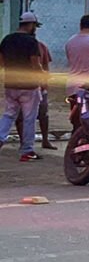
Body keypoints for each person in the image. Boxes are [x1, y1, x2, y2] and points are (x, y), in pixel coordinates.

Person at [0, 12, 45, 161]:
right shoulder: (31, 42)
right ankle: (27, 150)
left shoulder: (7, 39)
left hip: (11, 84)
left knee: (9, 114)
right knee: (29, 119)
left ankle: (0, 137)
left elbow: (1, 62)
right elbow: (35, 64)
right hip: (29, 86)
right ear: (30, 25)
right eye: (35, 26)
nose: (35, 29)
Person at [15, 37, 54, 150]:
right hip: (23, 86)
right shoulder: (19, 47)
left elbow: (45, 65)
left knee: (42, 114)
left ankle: (44, 140)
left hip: (35, 85)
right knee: (22, 116)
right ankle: (24, 142)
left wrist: (45, 82)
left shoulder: (41, 46)